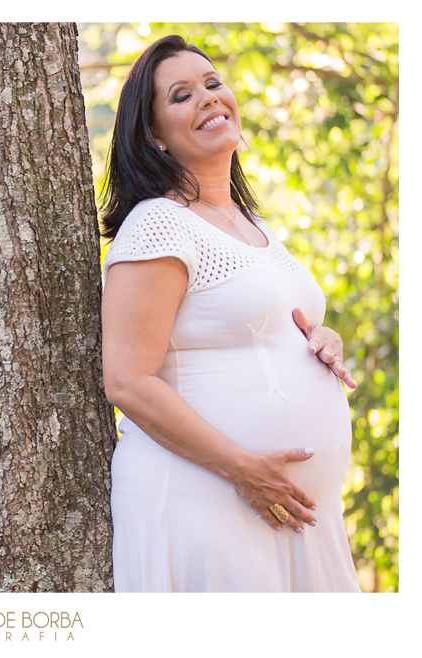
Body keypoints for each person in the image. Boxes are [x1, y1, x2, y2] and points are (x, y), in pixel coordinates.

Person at [99, 35, 361, 592]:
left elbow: (264, 329)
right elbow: (127, 379)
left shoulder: (254, 224)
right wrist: (243, 469)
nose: (208, 98)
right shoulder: (157, 225)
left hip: (290, 510)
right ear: (153, 137)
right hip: (208, 500)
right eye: (182, 95)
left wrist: (319, 343)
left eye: (213, 84)